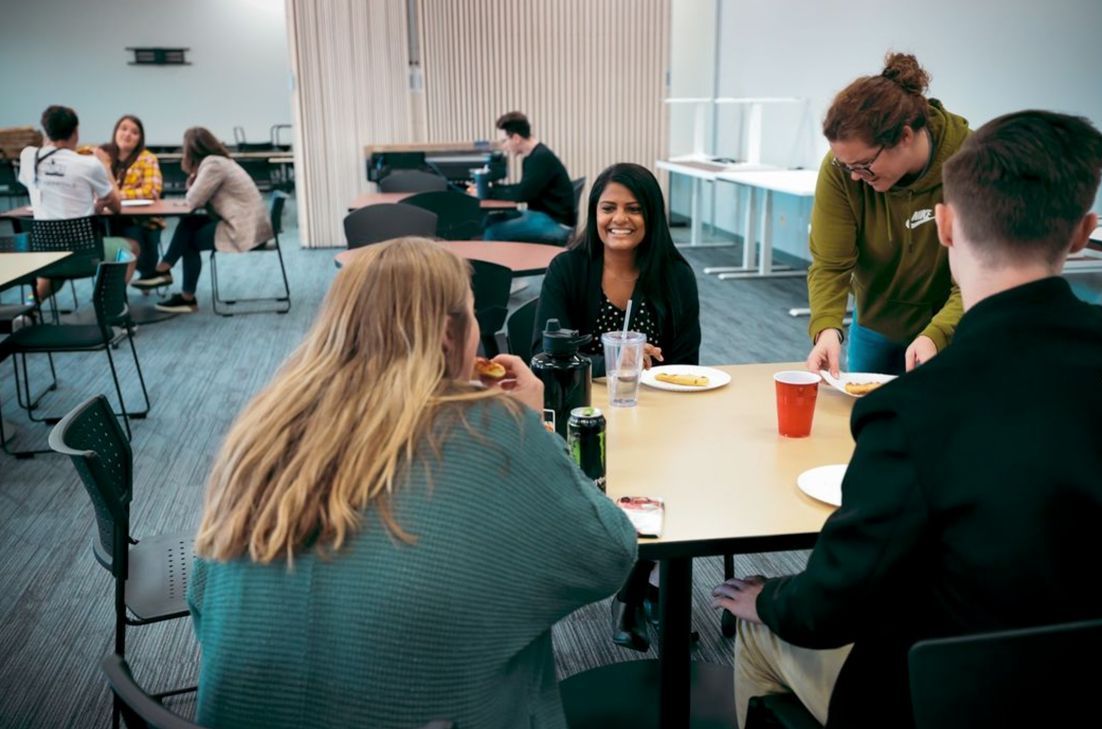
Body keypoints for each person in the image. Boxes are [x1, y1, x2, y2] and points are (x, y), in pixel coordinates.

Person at [714, 110, 1102, 729]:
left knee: (759, 632)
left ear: (945, 225)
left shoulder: (910, 408)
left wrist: (773, 598)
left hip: (940, 694)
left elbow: (829, 608)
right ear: (1083, 233)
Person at [188, 237, 637, 729]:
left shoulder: (264, 428)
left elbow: (203, 600)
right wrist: (534, 423)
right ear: (449, 335)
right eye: (472, 316)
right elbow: (609, 553)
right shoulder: (492, 429)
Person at [534, 162, 701, 651]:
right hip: (582, 416)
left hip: (660, 416)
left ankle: (631, 591)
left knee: (676, 474)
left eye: (633, 208)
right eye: (608, 208)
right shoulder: (569, 268)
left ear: (651, 216)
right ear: (595, 212)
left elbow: (687, 363)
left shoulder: (674, 274)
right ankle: (629, 585)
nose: (619, 219)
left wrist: (649, 371)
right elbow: (545, 355)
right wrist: (614, 360)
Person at [805, 53, 970, 377]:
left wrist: (937, 334)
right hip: (875, 324)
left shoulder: (970, 164)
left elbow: (978, 275)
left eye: (864, 165)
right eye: (847, 166)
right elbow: (829, 263)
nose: (855, 176)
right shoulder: (842, 170)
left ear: (905, 137)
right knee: (863, 419)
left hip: (952, 328)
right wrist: (826, 328)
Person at [132, 127, 271, 313]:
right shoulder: (220, 162)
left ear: (191, 150)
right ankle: (167, 274)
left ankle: (178, 288)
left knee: (189, 240)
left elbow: (193, 200)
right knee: (189, 224)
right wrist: (195, 179)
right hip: (249, 223)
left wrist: (191, 178)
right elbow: (198, 198)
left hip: (245, 229)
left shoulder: (212, 164)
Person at [18, 105, 138, 300]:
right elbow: (116, 206)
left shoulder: (28, 159)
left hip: (45, 252)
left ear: (46, 131)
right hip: (85, 253)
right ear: (76, 132)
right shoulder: (89, 164)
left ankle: (28, 308)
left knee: (53, 267)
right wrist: (106, 165)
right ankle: (109, 305)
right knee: (132, 247)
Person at [477, 111, 577, 245]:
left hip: (555, 223)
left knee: (493, 232)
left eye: (505, 141)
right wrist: (491, 189)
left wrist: (488, 192)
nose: (504, 146)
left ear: (516, 138)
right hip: (543, 215)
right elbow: (523, 189)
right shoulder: (534, 156)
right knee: (490, 220)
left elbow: (522, 194)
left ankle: (499, 265)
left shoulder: (540, 158)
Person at [99, 114, 165, 283]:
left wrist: (114, 195)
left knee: (130, 233)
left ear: (140, 138)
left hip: (138, 220)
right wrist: (132, 190)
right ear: (115, 131)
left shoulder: (147, 158)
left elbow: (150, 190)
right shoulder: (102, 154)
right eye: (124, 129)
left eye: (134, 132)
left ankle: (116, 292)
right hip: (103, 219)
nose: (128, 134)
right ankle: (112, 291)